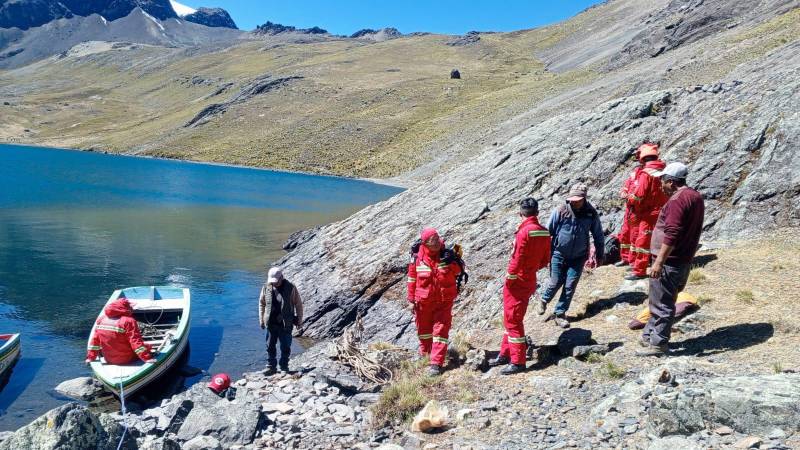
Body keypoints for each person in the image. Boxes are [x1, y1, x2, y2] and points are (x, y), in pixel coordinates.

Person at [638, 162, 705, 356]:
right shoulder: (695, 196)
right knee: (660, 299)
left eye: (663, 182)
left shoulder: (677, 200)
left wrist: (658, 262)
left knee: (662, 304)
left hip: (669, 261)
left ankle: (658, 344)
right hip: (682, 260)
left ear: (671, 182)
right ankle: (648, 335)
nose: (661, 186)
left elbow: (672, 233)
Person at [488, 198, 550, 375]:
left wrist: (511, 276)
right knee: (510, 318)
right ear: (537, 213)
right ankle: (505, 353)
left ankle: (518, 361)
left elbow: (518, 257)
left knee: (513, 320)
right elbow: (545, 260)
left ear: (521, 213)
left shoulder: (523, 232)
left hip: (517, 282)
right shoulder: (544, 232)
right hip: (529, 279)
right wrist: (531, 270)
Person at [536, 183, 604, 328]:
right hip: (558, 254)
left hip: (578, 257)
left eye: (578, 199)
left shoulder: (590, 213)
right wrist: (543, 254)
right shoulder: (561, 211)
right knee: (555, 281)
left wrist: (600, 254)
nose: (574, 202)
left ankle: (560, 313)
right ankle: (544, 300)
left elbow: (598, 234)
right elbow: (548, 232)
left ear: (584, 198)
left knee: (570, 285)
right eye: (572, 199)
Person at [407, 228, 462, 376]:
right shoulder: (417, 258)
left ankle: (436, 364)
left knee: (440, 331)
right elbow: (412, 279)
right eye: (433, 243)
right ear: (425, 244)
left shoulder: (448, 254)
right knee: (424, 331)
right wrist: (411, 300)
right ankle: (426, 355)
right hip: (423, 301)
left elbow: (458, 271)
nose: (437, 244)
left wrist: (453, 260)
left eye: (438, 240)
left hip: (444, 301)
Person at [625, 143, 668, 280]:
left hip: (648, 213)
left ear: (642, 158)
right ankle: (653, 262)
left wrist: (629, 200)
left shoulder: (646, 173)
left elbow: (639, 194)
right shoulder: (665, 170)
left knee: (642, 242)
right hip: (663, 211)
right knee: (658, 239)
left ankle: (639, 270)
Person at [85, 296, 157, 365]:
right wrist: (147, 358)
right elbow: (135, 341)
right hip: (126, 359)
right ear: (124, 308)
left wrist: (91, 357)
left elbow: (95, 341)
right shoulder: (128, 321)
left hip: (108, 359)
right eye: (130, 306)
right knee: (147, 346)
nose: (131, 308)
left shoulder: (101, 319)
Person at [258, 267, 304, 373]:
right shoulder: (266, 287)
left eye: (276, 281)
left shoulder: (291, 288)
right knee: (270, 346)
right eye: (272, 282)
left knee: (285, 346)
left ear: (281, 277)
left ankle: (284, 366)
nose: (274, 284)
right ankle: (271, 366)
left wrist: (299, 321)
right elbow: (262, 303)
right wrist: (261, 319)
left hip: (286, 324)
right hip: (271, 323)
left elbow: (298, 305)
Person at [616, 147, 644, 267]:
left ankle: (634, 261)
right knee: (625, 233)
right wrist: (624, 191)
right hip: (630, 209)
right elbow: (627, 184)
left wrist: (631, 196)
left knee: (635, 236)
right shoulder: (636, 171)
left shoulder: (647, 174)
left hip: (639, 210)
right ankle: (625, 258)